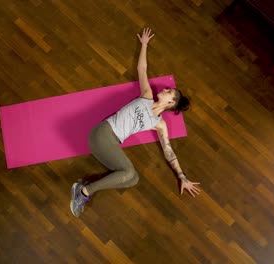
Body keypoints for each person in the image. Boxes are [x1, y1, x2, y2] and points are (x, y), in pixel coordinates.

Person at [70, 28, 201, 217]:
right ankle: (83, 191)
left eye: (168, 92)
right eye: (166, 89)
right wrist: (144, 45)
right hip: (103, 133)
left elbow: (168, 152)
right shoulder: (147, 96)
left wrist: (182, 177)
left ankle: (84, 188)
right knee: (128, 172)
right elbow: (142, 69)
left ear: (171, 103)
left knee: (133, 179)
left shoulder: (160, 124)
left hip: (110, 143)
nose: (164, 89)